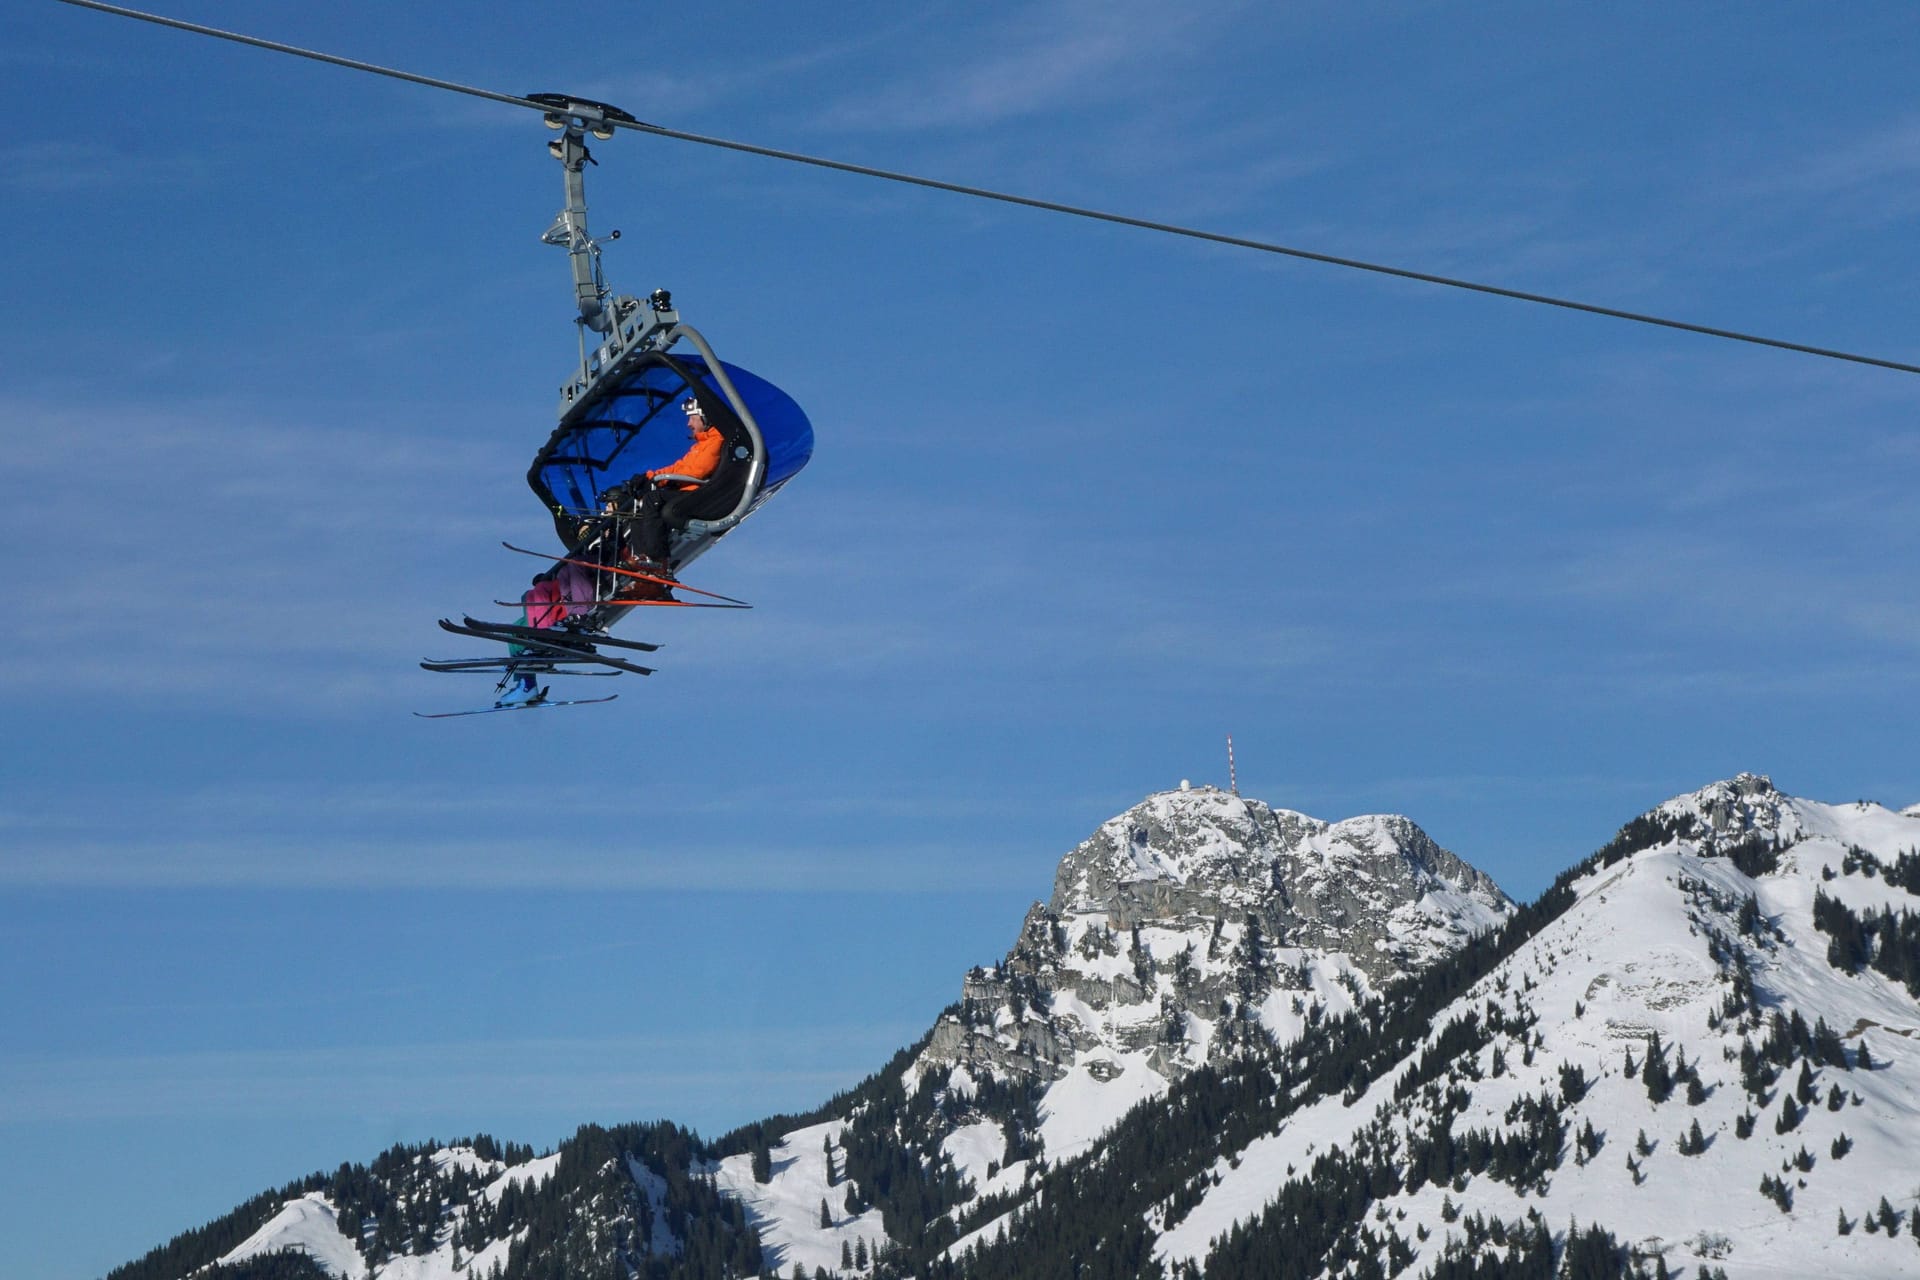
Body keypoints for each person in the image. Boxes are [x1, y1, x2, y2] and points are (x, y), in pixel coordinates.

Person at [623, 397, 725, 569]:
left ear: (705, 418)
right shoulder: (700, 445)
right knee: (638, 515)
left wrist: (661, 480)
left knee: (653, 499)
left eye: (692, 418)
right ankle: (643, 567)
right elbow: (679, 466)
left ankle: (657, 559)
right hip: (685, 490)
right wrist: (650, 476)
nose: (688, 424)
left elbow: (697, 471)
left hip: (697, 494)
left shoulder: (716, 442)